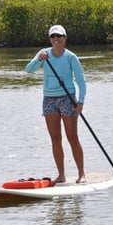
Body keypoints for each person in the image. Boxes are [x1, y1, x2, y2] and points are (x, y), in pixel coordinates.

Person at [25, 24, 87, 184]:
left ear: (65, 38)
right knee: (55, 138)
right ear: (50, 39)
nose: (56, 39)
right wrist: (39, 59)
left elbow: (81, 81)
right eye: (53, 36)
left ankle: (81, 174)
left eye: (59, 36)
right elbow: (28, 70)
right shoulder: (43, 54)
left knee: (72, 137)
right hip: (49, 100)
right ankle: (61, 175)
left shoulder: (71, 57)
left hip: (68, 99)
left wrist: (80, 102)